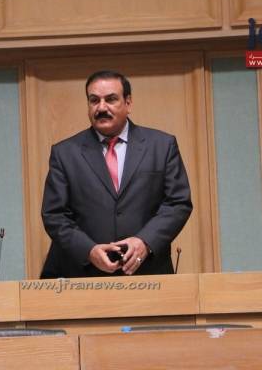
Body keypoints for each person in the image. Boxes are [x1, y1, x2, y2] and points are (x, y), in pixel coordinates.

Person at [40, 70, 192, 278]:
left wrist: (145, 242)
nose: (101, 107)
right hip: (84, 275)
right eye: (94, 100)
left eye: (111, 99)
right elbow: (54, 215)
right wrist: (88, 251)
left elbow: (178, 203)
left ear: (128, 103)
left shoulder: (162, 146)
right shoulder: (65, 153)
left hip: (148, 272)